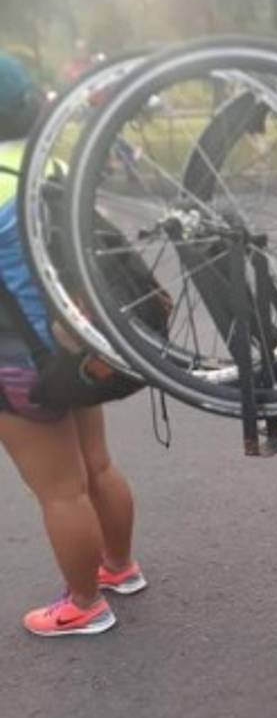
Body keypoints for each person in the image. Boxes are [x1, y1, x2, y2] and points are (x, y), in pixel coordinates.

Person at [0, 53, 145, 638]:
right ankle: (119, 567)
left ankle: (83, 603)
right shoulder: (45, 164)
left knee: (60, 490)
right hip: (76, 343)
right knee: (97, 466)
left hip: (17, 362)